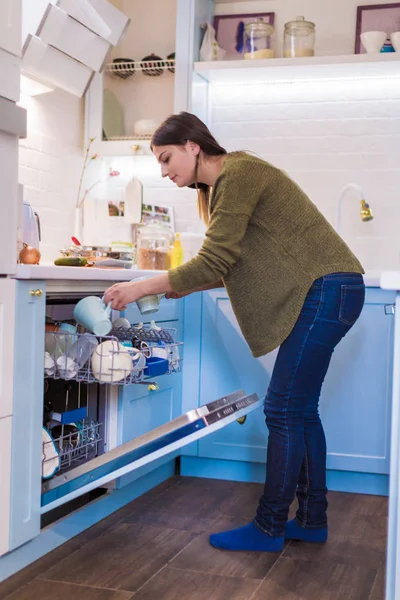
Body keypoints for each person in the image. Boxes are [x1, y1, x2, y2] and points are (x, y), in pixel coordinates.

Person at [104, 112, 365, 553]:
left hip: (325, 290)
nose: (165, 172)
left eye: (167, 159)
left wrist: (142, 286)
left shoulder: (237, 173)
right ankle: (312, 520)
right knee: (300, 411)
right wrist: (181, 287)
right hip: (333, 290)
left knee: (283, 410)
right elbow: (230, 264)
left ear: (193, 145)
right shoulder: (219, 187)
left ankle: (268, 528)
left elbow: (215, 260)